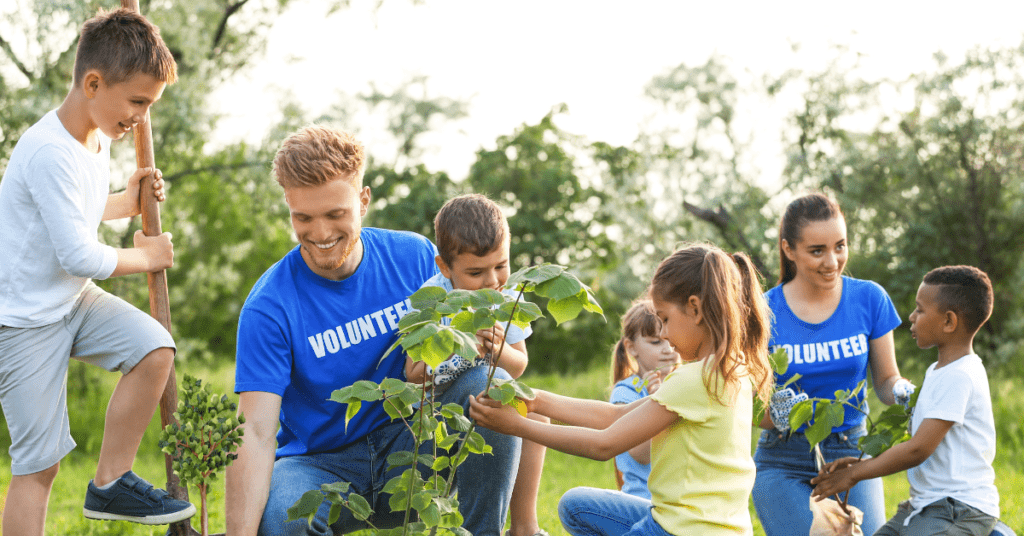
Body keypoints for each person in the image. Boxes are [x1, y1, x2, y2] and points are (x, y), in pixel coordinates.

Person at [225, 127, 521, 536]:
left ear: (362, 201)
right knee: (284, 518)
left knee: (493, 386)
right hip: (321, 465)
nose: (321, 233)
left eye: (335, 214)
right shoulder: (269, 307)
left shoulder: (415, 258)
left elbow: (479, 340)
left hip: (414, 442)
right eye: (303, 217)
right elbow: (256, 433)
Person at [0, 8, 193, 534]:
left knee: (154, 349)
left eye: (149, 105)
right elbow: (79, 255)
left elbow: (71, 210)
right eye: (137, 102)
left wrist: (125, 201)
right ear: (92, 82)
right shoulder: (47, 151)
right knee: (38, 467)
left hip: (70, 299)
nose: (141, 117)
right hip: (22, 321)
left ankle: (110, 482)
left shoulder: (97, 135)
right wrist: (148, 257)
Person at [470, 243, 775, 536]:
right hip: (714, 527)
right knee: (576, 506)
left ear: (695, 308)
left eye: (665, 319)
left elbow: (604, 445)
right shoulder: (731, 371)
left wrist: (518, 426)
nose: (665, 335)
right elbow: (616, 415)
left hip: (678, 530)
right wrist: (536, 400)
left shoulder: (693, 380)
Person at [752, 193, 915, 536]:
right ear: (788, 249)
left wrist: (904, 392)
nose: (832, 260)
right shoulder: (764, 312)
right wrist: (775, 413)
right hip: (783, 458)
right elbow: (750, 404)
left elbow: (886, 380)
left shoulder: (869, 298)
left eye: (840, 246)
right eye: (817, 250)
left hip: (852, 452)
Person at [811, 265, 1000, 536]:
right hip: (926, 506)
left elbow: (917, 449)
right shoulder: (938, 372)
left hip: (959, 508)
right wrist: (859, 460)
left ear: (949, 322)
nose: (911, 317)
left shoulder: (961, 375)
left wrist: (855, 474)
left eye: (920, 310)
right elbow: (923, 443)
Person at [403, 193, 548, 536]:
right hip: (439, 413)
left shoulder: (508, 297)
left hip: (487, 398)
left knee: (534, 411)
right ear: (444, 268)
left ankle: (524, 526)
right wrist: (455, 345)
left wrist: (497, 350)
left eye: (501, 265)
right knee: (491, 387)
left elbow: (518, 365)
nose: (492, 281)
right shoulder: (431, 302)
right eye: (475, 272)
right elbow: (412, 375)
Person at [607, 299, 681, 500]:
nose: (668, 349)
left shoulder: (684, 383)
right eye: (656, 342)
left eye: (672, 339)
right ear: (631, 348)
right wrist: (657, 398)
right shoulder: (626, 392)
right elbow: (641, 454)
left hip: (680, 502)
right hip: (643, 501)